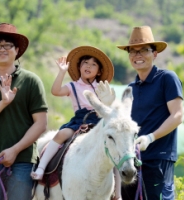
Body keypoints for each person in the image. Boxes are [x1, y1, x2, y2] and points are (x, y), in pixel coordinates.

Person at [30, 46, 121, 198]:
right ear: (79, 67)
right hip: (80, 121)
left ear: (98, 71)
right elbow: (55, 91)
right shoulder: (73, 86)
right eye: (85, 62)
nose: (88, 66)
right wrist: (61, 72)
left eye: (93, 64)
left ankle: (117, 192)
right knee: (61, 134)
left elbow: (111, 110)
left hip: (99, 122)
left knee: (113, 147)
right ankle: (41, 168)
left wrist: (108, 103)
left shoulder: (102, 88)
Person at [0, 23, 48, 200]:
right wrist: (3, 103)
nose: (2, 49)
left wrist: (15, 150)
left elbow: (41, 123)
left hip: (22, 162)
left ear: (17, 50)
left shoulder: (31, 81)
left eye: (8, 45)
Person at [117, 26, 183, 200]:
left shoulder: (167, 79)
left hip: (158, 159)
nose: (137, 55)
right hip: (131, 161)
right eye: (133, 51)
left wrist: (150, 137)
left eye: (144, 50)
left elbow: (177, 115)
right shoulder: (130, 89)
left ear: (155, 54)